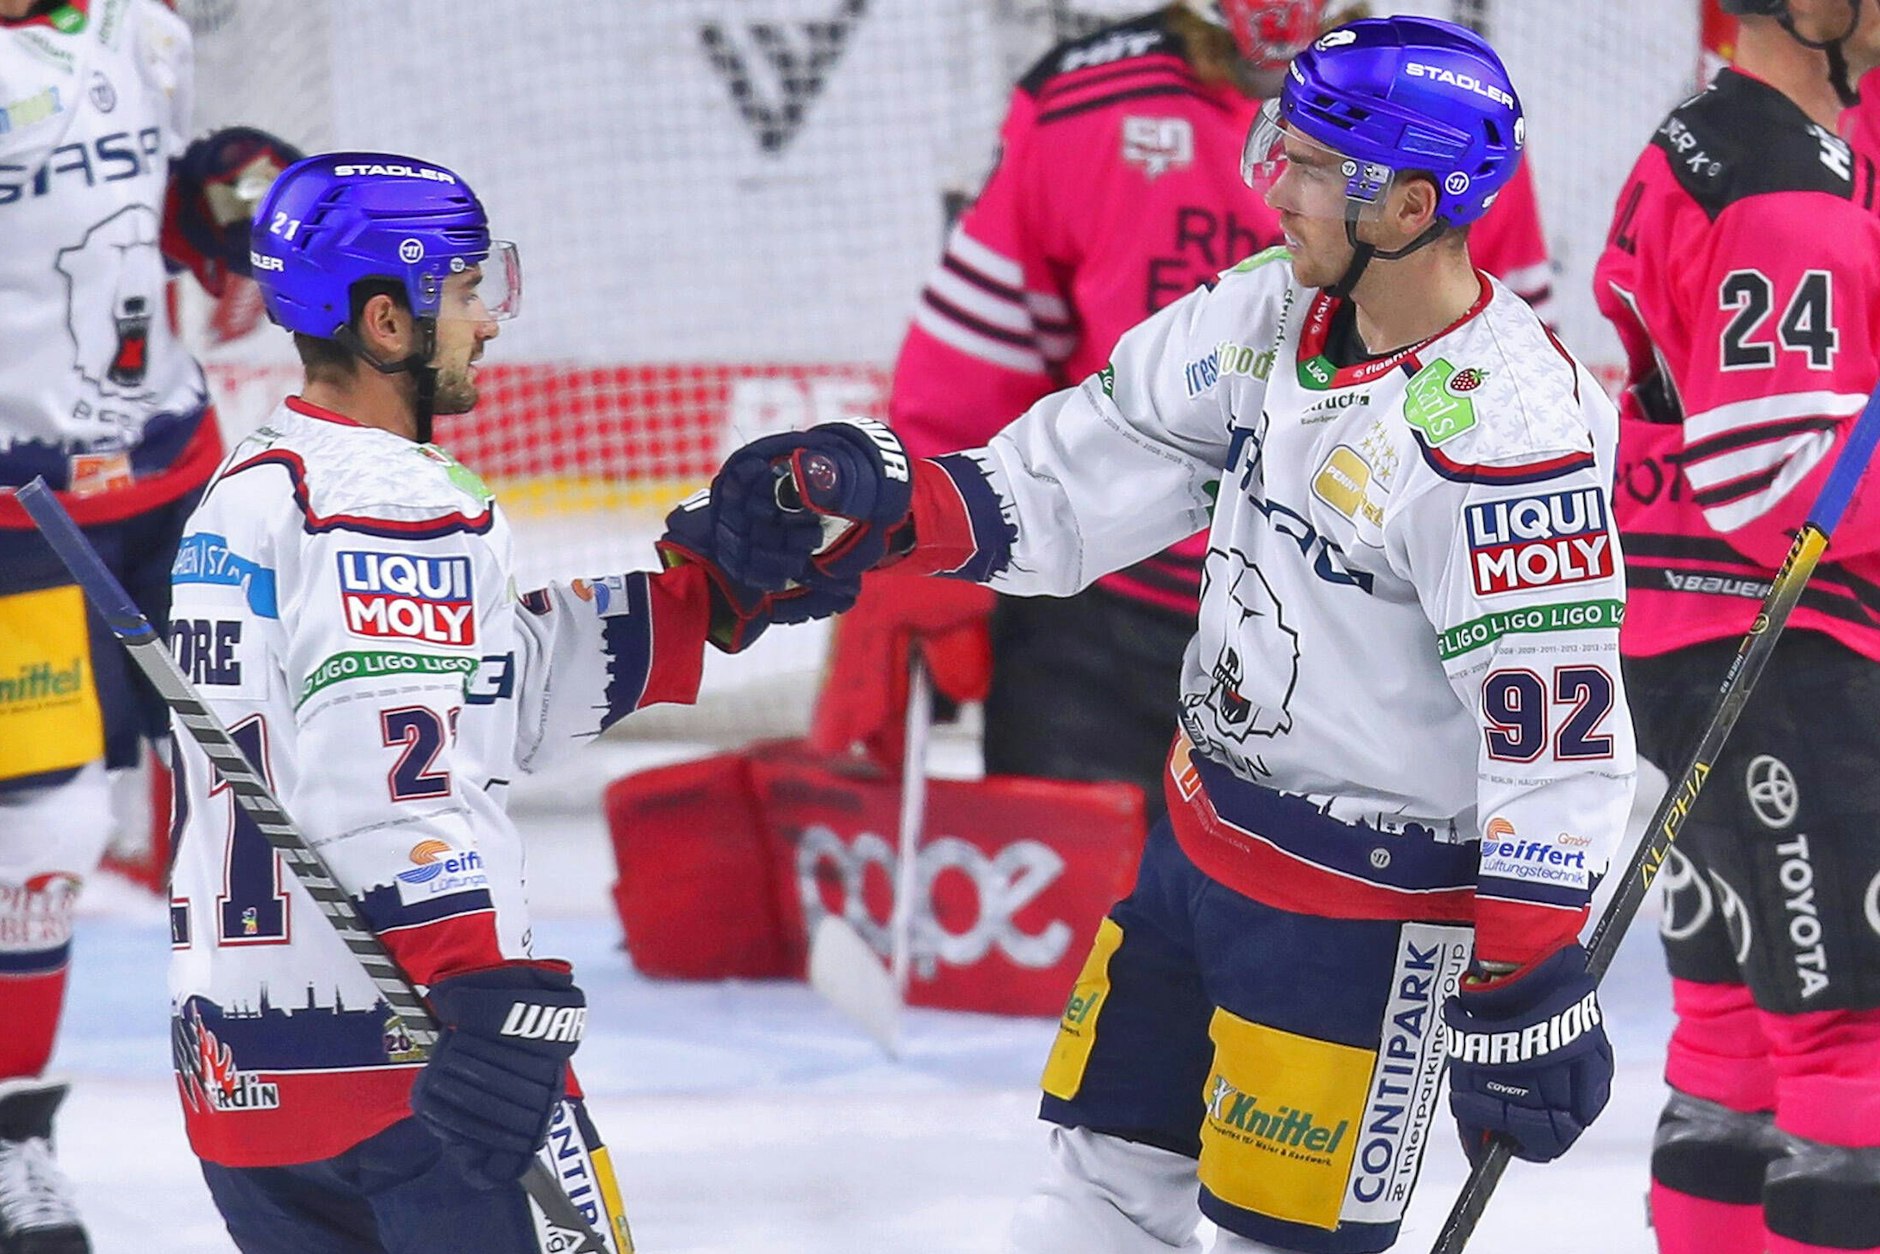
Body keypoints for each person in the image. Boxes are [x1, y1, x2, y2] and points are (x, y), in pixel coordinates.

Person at [711, 16, 1631, 1253]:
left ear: (1409, 206)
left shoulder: (1506, 440)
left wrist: (1523, 978)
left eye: (1307, 165)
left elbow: (1554, 734)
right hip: (1192, 851)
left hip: (1356, 922)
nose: (1270, 183)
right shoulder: (1266, 313)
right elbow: (1091, 468)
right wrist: (885, 505)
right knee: (1100, 1181)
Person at [164, 151, 846, 1254]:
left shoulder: (248, 489)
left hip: (244, 1084)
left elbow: (479, 697)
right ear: (388, 322)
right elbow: (390, 766)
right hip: (422, 1066)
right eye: (469, 291)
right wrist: (476, 981)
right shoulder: (396, 500)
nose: (487, 322)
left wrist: (694, 602)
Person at [813, 0, 1559, 841]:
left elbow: (1504, 385)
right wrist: (918, 550)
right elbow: (979, 360)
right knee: (1077, 941)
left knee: (1297, 956)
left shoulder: (1449, 117)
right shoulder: (1082, 103)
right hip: (1098, 621)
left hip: (1348, 640)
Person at [0, 2, 298, 1250]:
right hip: (19, 515)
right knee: (51, 822)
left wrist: (231, 204)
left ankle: (320, 1084)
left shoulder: (146, 30)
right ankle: (16, 1139)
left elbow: (162, 225)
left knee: (270, 757)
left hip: (175, 475)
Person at [1594, 3, 1880, 1252]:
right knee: (1848, 1042)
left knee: (1731, 1035)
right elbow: (1777, 476)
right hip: (1782, 658)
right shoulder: (1776, 186)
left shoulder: (1734, 137)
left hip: (1692, 639)